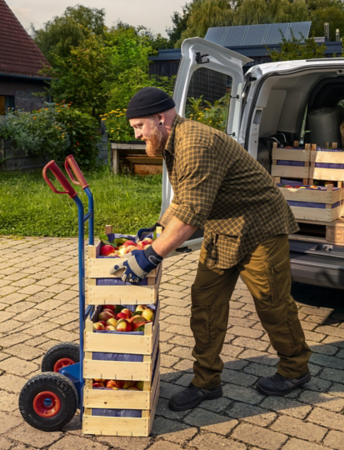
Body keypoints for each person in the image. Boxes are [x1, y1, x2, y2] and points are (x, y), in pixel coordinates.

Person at [111, 87, 312, 411]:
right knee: (205, 304)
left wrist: (151, 256)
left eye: (139, 127)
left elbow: (190, 217)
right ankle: (206, 383)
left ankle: (295, 369)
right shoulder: (172, 142)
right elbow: (186, 197)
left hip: (260, 228)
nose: (136, 135)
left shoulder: (195, 143)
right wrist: (160, 229)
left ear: (160, 118)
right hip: (224, 228)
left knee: (272, 304)